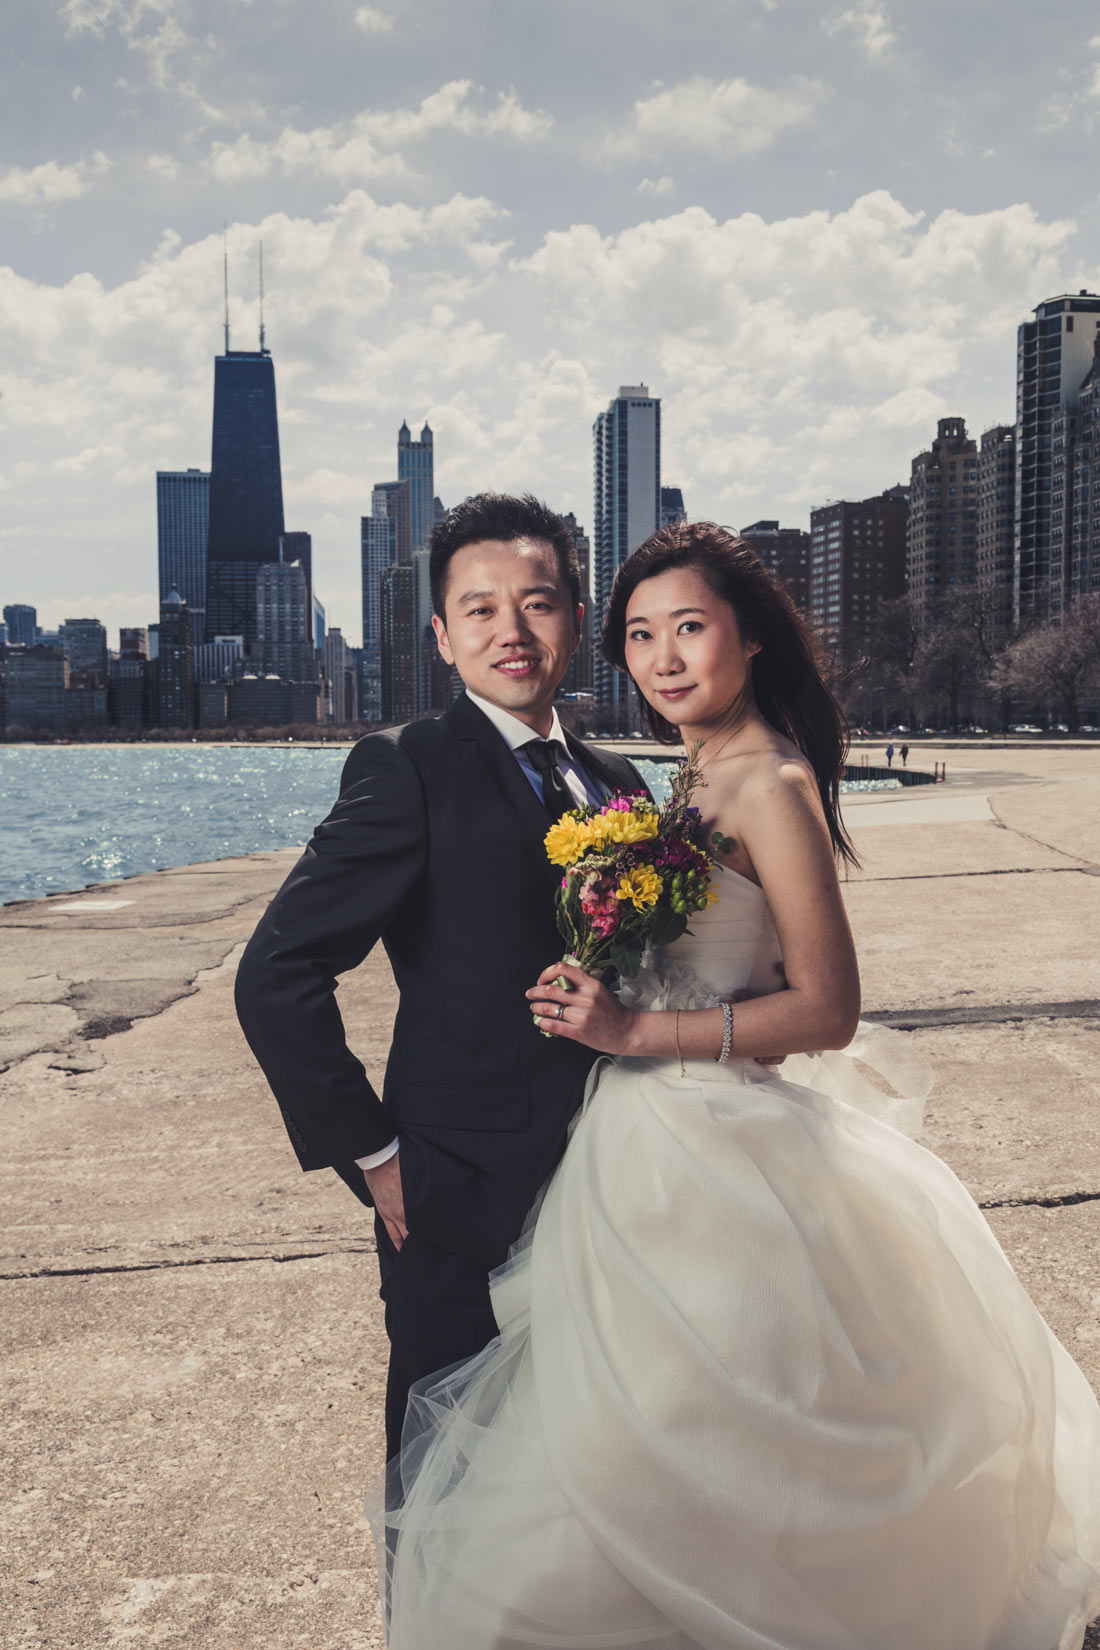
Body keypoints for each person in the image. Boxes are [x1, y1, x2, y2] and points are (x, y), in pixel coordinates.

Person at [373, 522, 1100, 1650]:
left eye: (690, 629)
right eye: (641, 636)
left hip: (709, 1144)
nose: (664, 659)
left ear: (749, 639)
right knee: (619, 1424)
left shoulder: (768, 782)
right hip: (624, 1146)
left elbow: (826, 1008)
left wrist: (633, 1026)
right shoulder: (681, 771)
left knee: (705, 1422)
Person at [234, 492, 646, 1461]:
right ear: (441, 635)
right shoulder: (404, 769)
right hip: (461, 1200)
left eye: (537, 603)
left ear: (576, 622)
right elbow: (276, 976)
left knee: (600, 1477)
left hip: (619, 1189)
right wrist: (376, 1159)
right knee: (452, 1483)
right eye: (479, 608)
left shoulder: (618, 783)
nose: (511, 630)